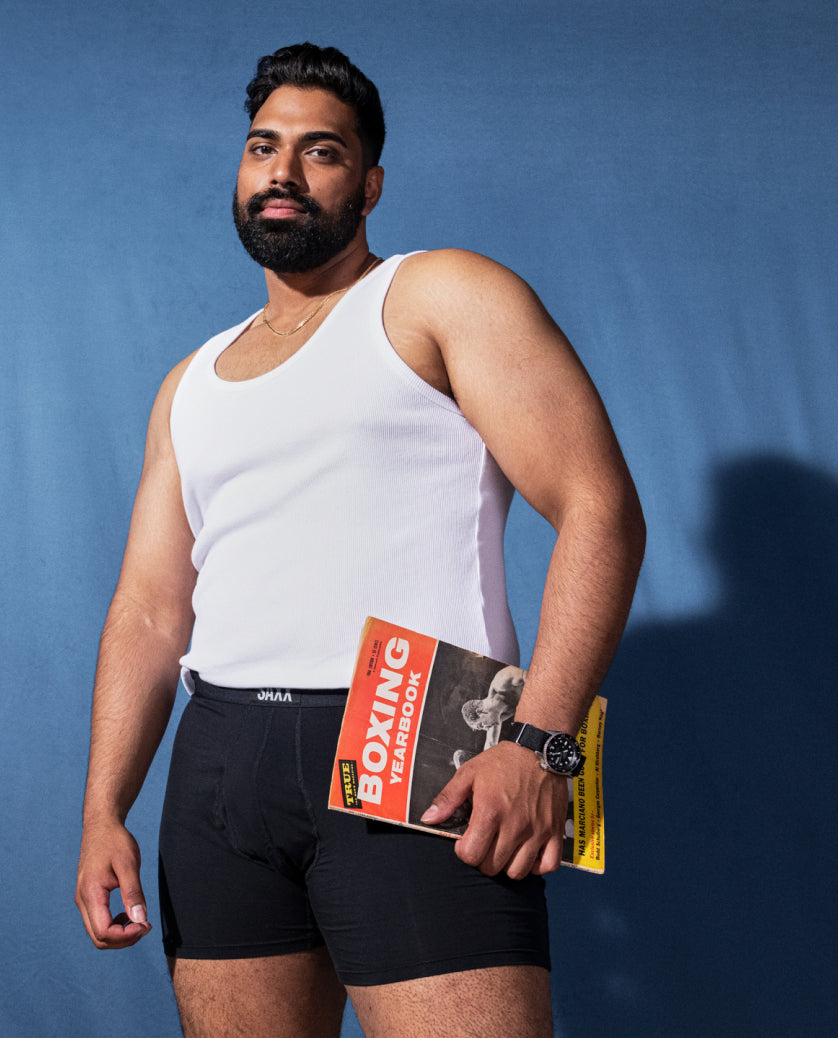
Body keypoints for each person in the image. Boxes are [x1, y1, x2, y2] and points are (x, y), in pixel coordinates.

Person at [75, 42, 645, 1038]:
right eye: (263, 147)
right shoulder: (192, 380)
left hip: (418, 737)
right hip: (220, 768)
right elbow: (149, 612)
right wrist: (101, 809)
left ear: (370, 181)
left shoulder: (438, 296)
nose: (282, 172)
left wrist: (540, 745)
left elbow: (600, 509)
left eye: (320, 151)